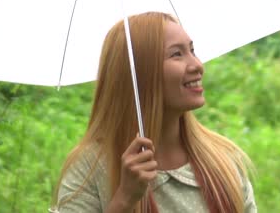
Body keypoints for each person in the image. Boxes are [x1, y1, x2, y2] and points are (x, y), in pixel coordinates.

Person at [50, 12, 256, 213]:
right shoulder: (90, 167)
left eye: (192, 50)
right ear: (138, 74)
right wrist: (124, 199)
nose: (197, 65)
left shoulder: (223, 160)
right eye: (177, 54)